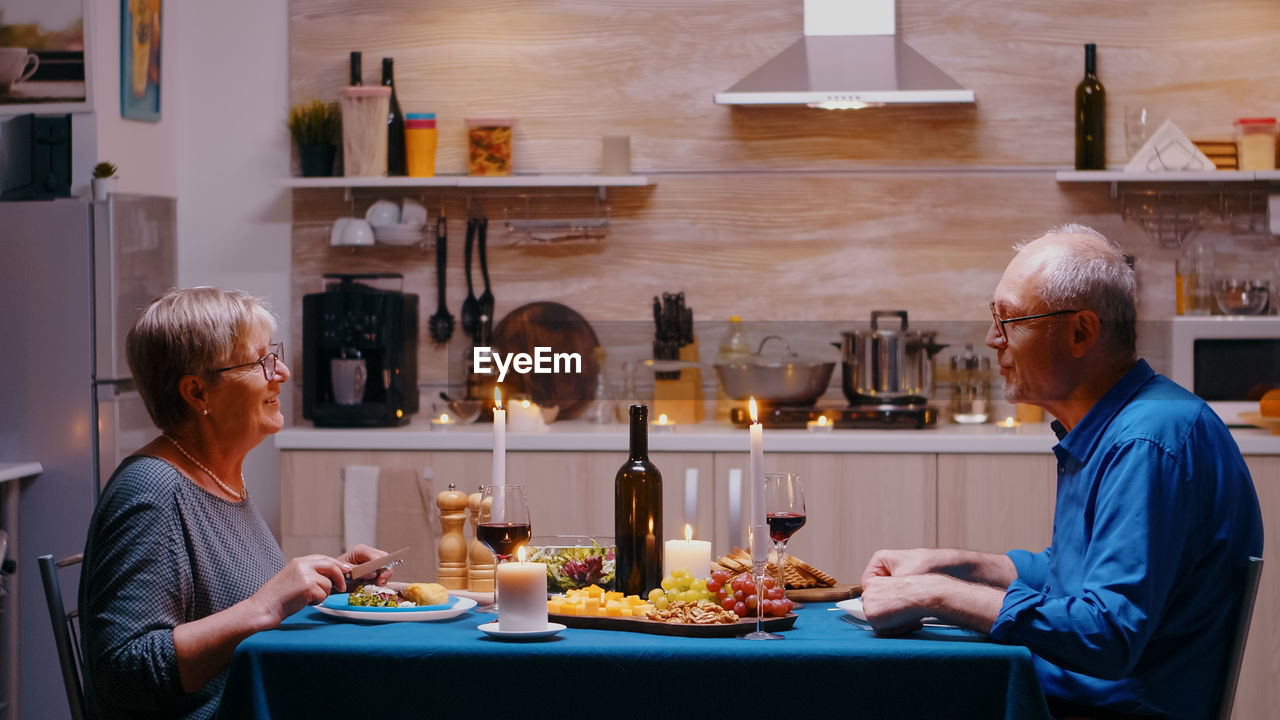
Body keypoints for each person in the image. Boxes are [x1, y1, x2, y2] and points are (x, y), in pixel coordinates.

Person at [859, 225, 1263, 720]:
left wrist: (936, 595)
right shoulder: (1118, 424)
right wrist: (948, 563)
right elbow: (1069, 574)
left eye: (1009, 320)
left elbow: (1108, 633)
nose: (992, 340)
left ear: (1081, 332)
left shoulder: (1147, 442)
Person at [79, 287, 395, 720]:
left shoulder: (222, 480)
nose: (280, 372)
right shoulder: (151, 491)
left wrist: (332, 578)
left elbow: (236, 612)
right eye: (260, 361)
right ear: (197, 393)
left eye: (274, 355)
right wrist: (265, 605)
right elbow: (121, 677)